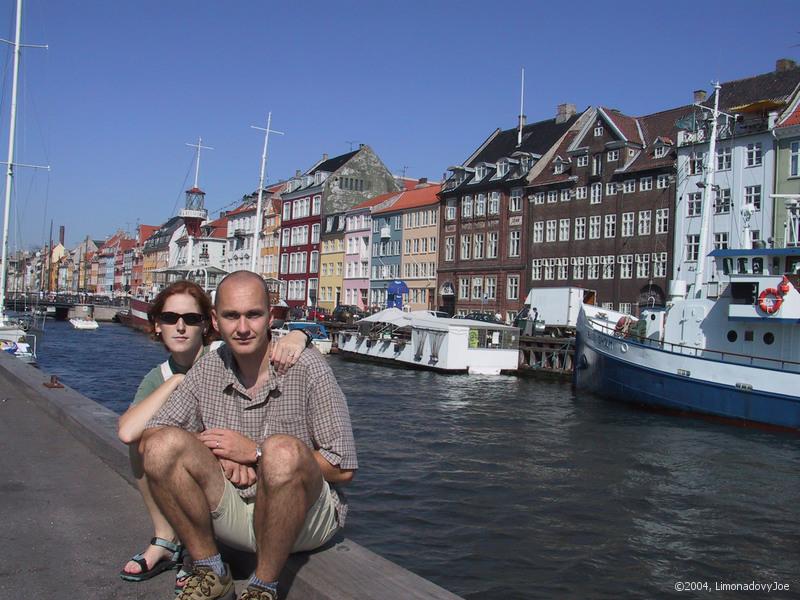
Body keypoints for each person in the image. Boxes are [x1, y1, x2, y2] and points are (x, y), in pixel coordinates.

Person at [141, 270, 358, 600]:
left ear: (270, 316)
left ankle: (263, 587)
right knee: (160, 446)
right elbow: (153, 435)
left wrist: (256, 454)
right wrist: (220, 453)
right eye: (231, 316)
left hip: (302, 518)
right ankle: (210, 569)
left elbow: (343, 468)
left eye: (253, 315)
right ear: (215, 319)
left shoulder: (307, 367)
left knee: (281, 451)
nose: (243, 328)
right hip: (233, 507)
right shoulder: (209, 369)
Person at [117, 279, 308, 589]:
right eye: (170, 318)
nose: (180, 327)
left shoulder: (223, 353)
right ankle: (166, 538)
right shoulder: (160, 377)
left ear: (208, 324)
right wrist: (178, 382)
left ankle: (196, 554)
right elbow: (127, 432)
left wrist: (301, 335)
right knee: (144, 442)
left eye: (191, 319)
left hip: (242, 470)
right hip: (213, 464)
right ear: (157, 325)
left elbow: (263, 337)